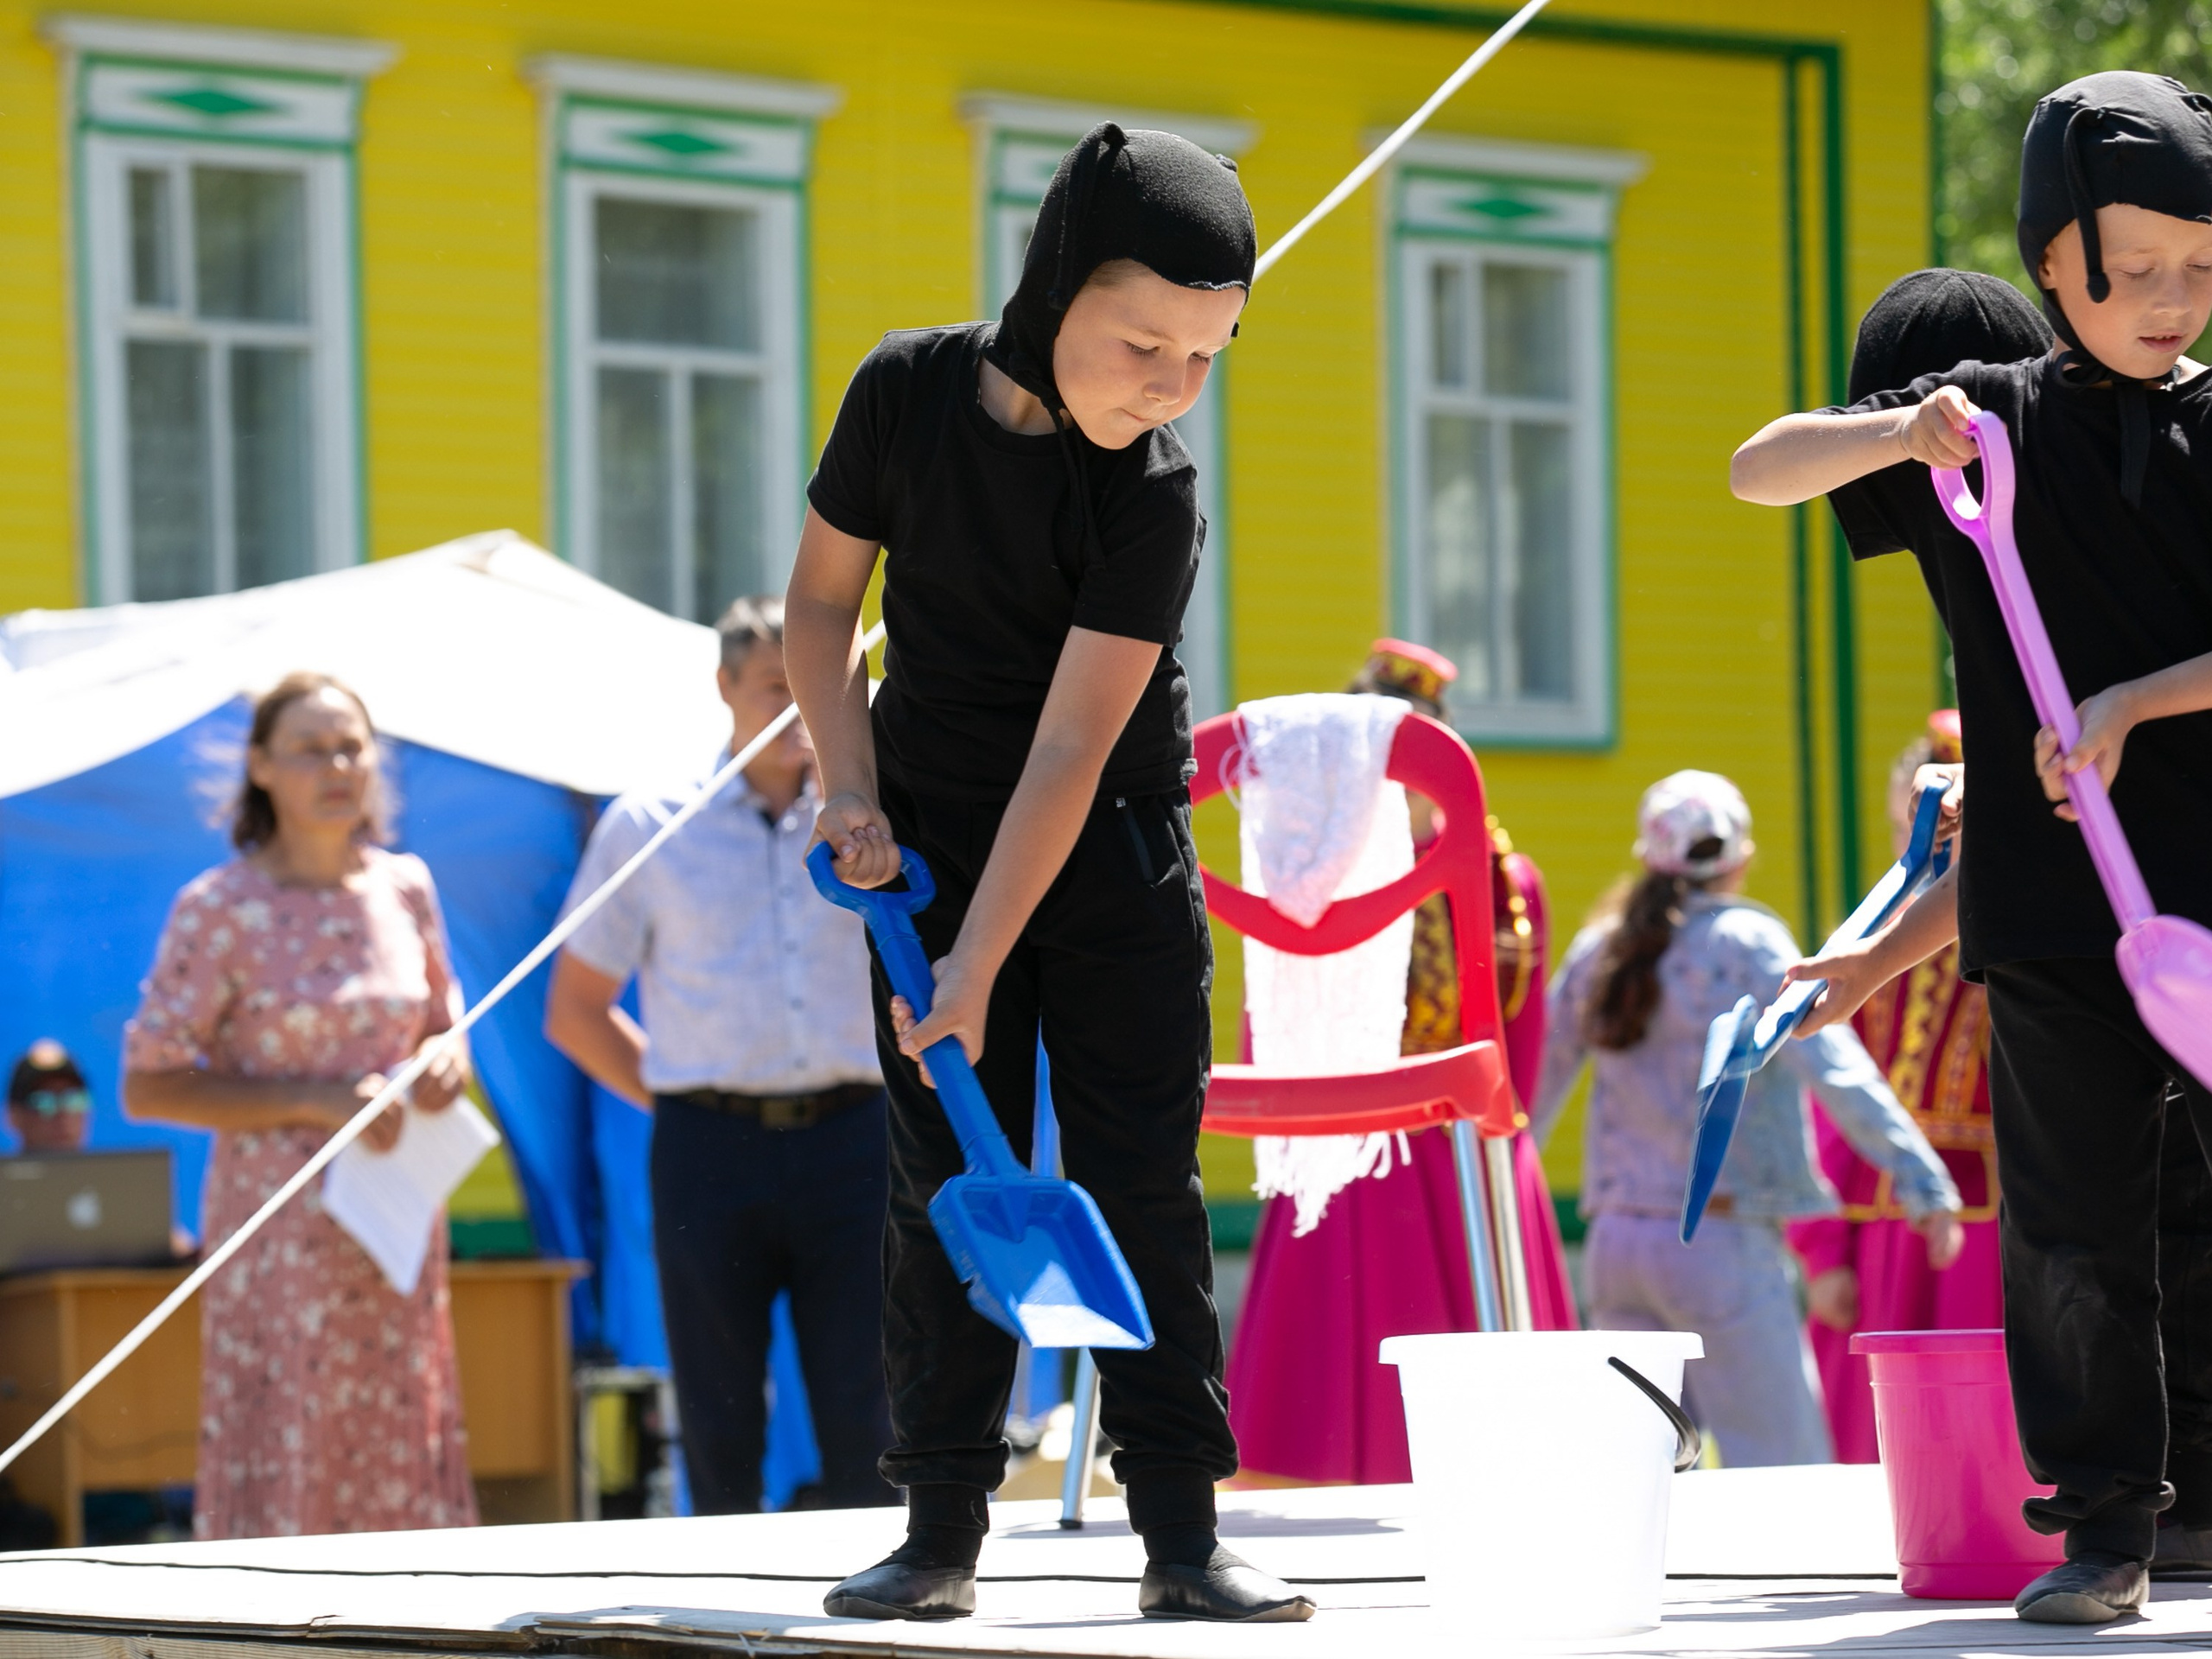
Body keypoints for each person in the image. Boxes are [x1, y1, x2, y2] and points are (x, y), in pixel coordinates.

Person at [787, 124, 1309, 1624]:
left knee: (1141, 1173)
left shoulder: (1153, 488)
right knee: (940, 1179)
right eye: (1143, 339)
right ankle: (939, 1522)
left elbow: (1075, 755)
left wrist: (974, 970)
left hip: (1108, 854)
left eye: (1204, 356)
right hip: (932, 854)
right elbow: (822, 611)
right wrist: (852, 793)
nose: (1166, 381)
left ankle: (1183, 1537)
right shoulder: (903, 394)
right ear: (1054, 282)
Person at [1729, 70, 2212, 1621]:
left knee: (2198, 1210)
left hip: (2198, 892)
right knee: (2074, 1219)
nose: (2168, 298)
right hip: (2062, 916)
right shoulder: (1983, 445)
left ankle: (2198, 1502)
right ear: (2054, 264)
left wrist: (2134, 700)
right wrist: (1899, 430)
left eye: (2198, 267)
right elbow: (1758, 467)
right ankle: (2110, 1527)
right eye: (2131, 267)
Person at [544, 595, 892, 1515]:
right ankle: (722, 1606)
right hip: (708, 1145)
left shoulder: (879, 827)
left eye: (820, 689)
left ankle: (887, 1587)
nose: (798, 711)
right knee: (720, 1400)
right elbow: (575, 1010)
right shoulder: (649, 825)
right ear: (725, 687)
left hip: (856, 1137)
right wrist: (680, 1100)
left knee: (871, 1395)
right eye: (778, 686)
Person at [122, 672, 476, 1541]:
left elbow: (445, 1018)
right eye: (311, 749)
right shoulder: (219, 909)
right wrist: (312, 1100)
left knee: (398, 1435)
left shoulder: (405, 887)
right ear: (260, 769)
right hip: (277, 1237)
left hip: (392, 1229)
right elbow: (147, 1083)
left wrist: (445, 1058)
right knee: (293, 1447)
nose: (337, 765)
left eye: (352, 745)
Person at [1529, 770, 1962, 1468]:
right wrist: (1921, 1179)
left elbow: (1535, 1089)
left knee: (1639, 1464)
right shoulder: (1749, 941)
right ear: (1740, 858)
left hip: (1613, 1241)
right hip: (1719, 1239)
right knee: (1782, 1460)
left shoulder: (1599, 950)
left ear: (1649, 856)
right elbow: (1837, 1069)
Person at [1226, 639, 1575, 1487]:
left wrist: (1506, 1140)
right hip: (1348, 1141)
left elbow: (1516, 1033)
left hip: (1462, 1139)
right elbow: (1269, 1012)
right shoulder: (1321, 865)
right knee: (1329, 1380)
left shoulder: (1505, 877)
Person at [1787, 715, 2001, 1465]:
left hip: (1992, 1216)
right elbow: (1839, 1093)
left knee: (1980, 1413)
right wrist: (1823, 1249)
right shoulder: (1878, 936)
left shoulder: (2016, 925)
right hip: (1881, 1215)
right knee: (1877, 1416)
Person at [8, 1041, 92, 1154]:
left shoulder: (115, 1171)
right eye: (43, 1102)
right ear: (14, 1116)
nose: (63, 1114)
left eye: (74, 1100)